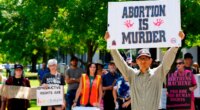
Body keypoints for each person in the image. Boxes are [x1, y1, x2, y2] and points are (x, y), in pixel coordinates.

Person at [104, 31, 185, 110]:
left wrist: (175, 45)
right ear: (137, 61)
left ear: (150, 61)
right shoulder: (132, 75)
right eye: (141, 58)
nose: (143, 61)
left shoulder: (158, 73)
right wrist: (111, 46)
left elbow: (167, 61)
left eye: (146, 58)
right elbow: (120, 63)